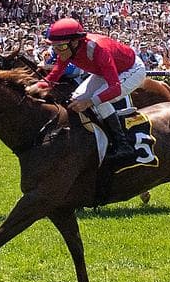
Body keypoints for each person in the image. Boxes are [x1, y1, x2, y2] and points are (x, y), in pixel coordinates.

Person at [27, 18, 147, 175]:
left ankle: (123, 144)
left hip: (131, 69)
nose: (57, 51)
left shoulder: (98, 49)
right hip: (105, 71)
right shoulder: (67, 49)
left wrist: (90, 102)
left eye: (60, 46)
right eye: (54, 47)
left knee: (97, 100)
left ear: (75, 42)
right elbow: (55, 75)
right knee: (76, 98)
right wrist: (36, 86)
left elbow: (115, 88)